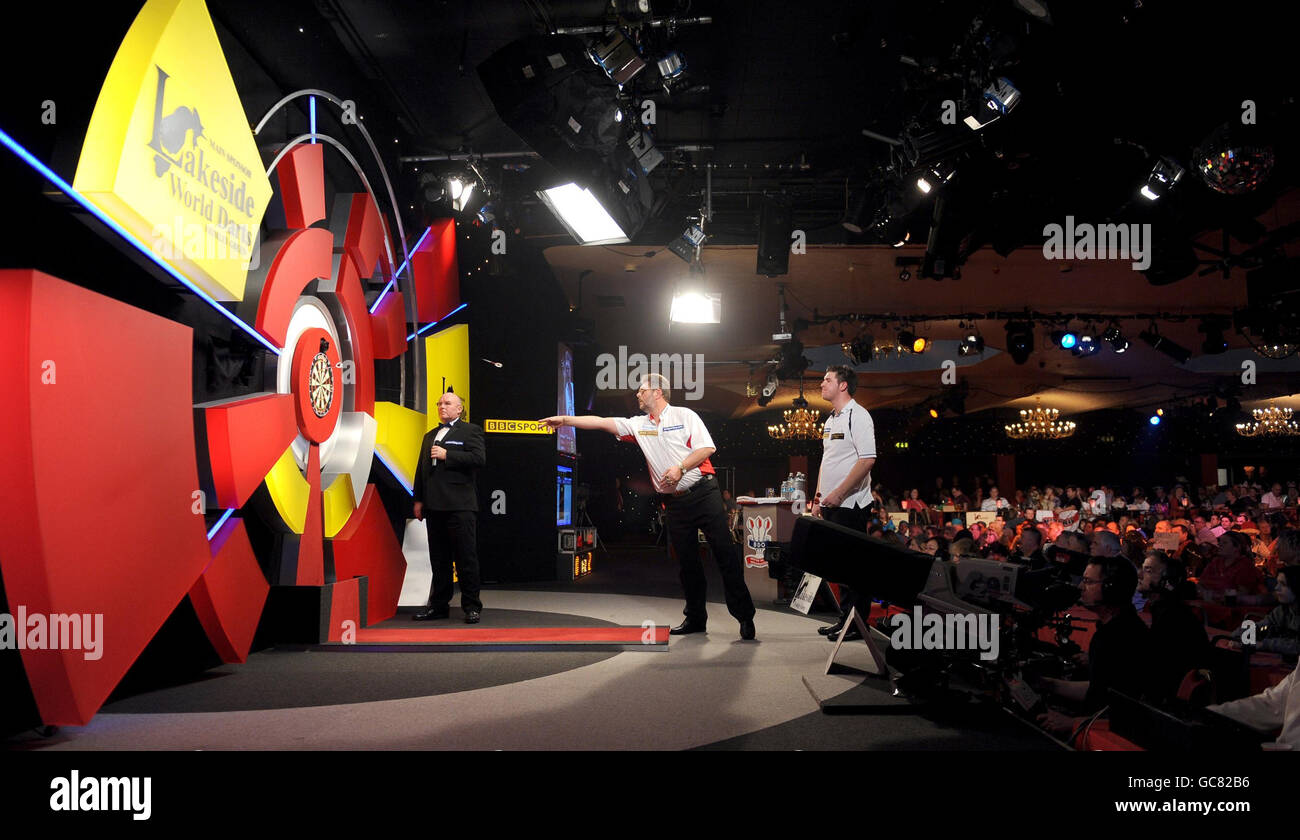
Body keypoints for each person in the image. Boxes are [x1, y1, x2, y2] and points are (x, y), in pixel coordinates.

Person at [541, 373, 756, 639]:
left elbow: (706, 449)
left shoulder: (685, 416)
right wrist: (564, 420)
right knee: (687, 563)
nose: (637, 395)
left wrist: (680, 467)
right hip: (675, 503)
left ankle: (745, 617)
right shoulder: (637, 425)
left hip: (703, 493)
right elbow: (601, 423)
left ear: (657, 392)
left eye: (641, 391)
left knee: (725, 555)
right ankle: (696, 619)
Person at [1037, 556, 1150, 736]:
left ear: (1111, 588)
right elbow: (1099, 689)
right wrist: (1051, 684)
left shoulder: (1123, 637)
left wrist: (1072, 723)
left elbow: (1124, 705)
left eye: (1088, 581)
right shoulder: (1113, 628)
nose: (1081, 587)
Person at [810, 365, 878, 641]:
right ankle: (845, 619)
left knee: (855, 567)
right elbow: (827, 463)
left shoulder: (859, 416)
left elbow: (867, 459)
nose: (821, 384)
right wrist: (818, 497)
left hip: (851, 505)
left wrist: (839, 493)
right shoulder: (830, 419)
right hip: (830, 504)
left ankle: (858, 624)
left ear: (843, 385)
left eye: (827, 380)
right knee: (840, 567)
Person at [412, 392, 486, 623]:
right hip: (434, 506)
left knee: (466, 558)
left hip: (460, 505)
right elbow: (421, 470)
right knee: (439, 559)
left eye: (447, 403)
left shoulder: (470, 431)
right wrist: (418, 500)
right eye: (439, 404)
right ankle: (439, 606)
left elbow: (478, 459)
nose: (442, 407)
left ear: (459, 409)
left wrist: (448, 455)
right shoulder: (429, 436)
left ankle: (472, 607)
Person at [1139, 550, 1210, 704]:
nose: (1140, 575)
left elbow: (1159, 671)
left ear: (1168, 582)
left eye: (1149, 570)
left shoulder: (1174, 617)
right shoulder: (1164, 610)